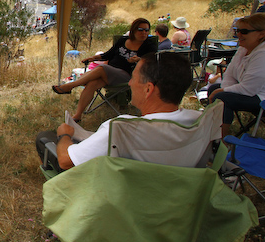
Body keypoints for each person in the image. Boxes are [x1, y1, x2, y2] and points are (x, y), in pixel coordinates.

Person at [37, 52, 197, 171]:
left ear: (148, 89)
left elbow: (65, 161)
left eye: (133, 78)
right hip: (171, 196)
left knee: (44, 137)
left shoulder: (121, 129)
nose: (130, 83)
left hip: (123, 196)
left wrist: (64, 135)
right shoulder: (197, 121)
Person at [51, 18, 158, 122]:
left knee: (102, 68)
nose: (144, 32)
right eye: (141, 29)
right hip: (109, 73)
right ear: (133, 30)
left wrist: (139, 60)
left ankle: (70, 86)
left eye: (147, 30)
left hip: (127, 77)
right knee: (92, 84)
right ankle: (78, 115)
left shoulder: (149, 46)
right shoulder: (123, 41)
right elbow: (108, 55)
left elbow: (152, 61)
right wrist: (93, 58)